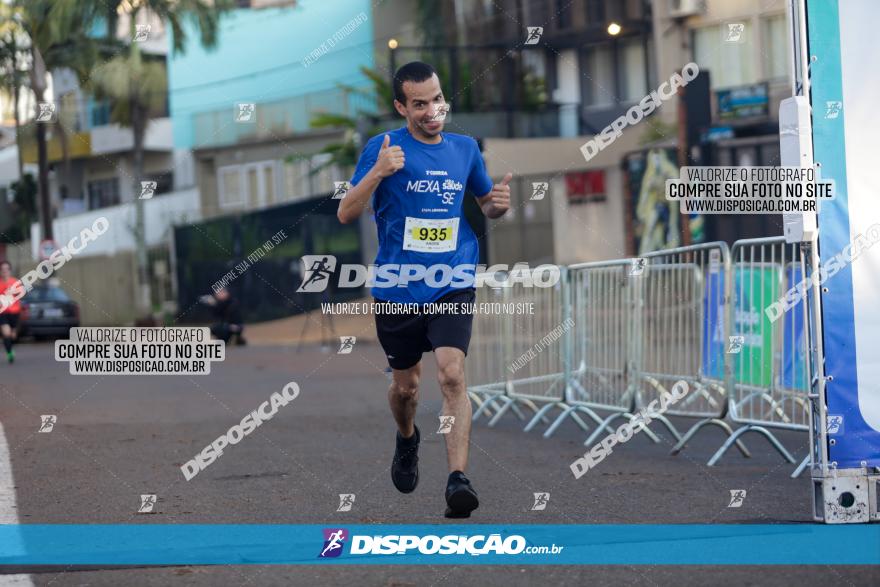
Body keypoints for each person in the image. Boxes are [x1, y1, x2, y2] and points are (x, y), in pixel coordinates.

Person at [337, 61, 511, 518]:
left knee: (452, 375)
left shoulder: (465, 149)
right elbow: (346, 212)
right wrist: (377, 172)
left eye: (437, 99)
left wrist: (497, 206)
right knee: (407, 390)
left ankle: (458, 479)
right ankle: (408, 438)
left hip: (452, 280)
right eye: (420, 103)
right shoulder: (384, 147)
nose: (432, 110)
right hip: (398, 287)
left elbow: (484, 204)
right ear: (401, 106)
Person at [0, 261, 22, 364]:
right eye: (2, 269)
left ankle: (10, 347)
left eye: (6, 269)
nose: (5, 271)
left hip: (15, 312)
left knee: (13, 336)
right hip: (3, 313)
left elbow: (21, 293)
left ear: (10, 270)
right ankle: (10, 353)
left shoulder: (15, 282)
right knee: (6, 333)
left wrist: (12, 291)